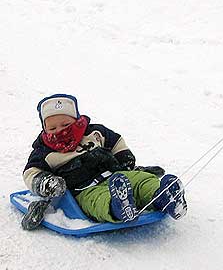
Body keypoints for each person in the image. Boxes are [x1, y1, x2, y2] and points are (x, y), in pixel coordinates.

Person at [22, 93, 187, 230]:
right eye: (52, 128)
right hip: (85, 189)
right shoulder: (44, 151)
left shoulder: (94, 132)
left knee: (140, 179)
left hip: (116, 176)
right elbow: (31, 173)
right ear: (44, 129)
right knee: (98, 200)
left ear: (76, 121)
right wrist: (46, 183)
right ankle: (118, 207)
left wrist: (124, 157)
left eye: (65, 124)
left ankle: (163, 196)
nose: (60, 131)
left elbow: (116, 142)